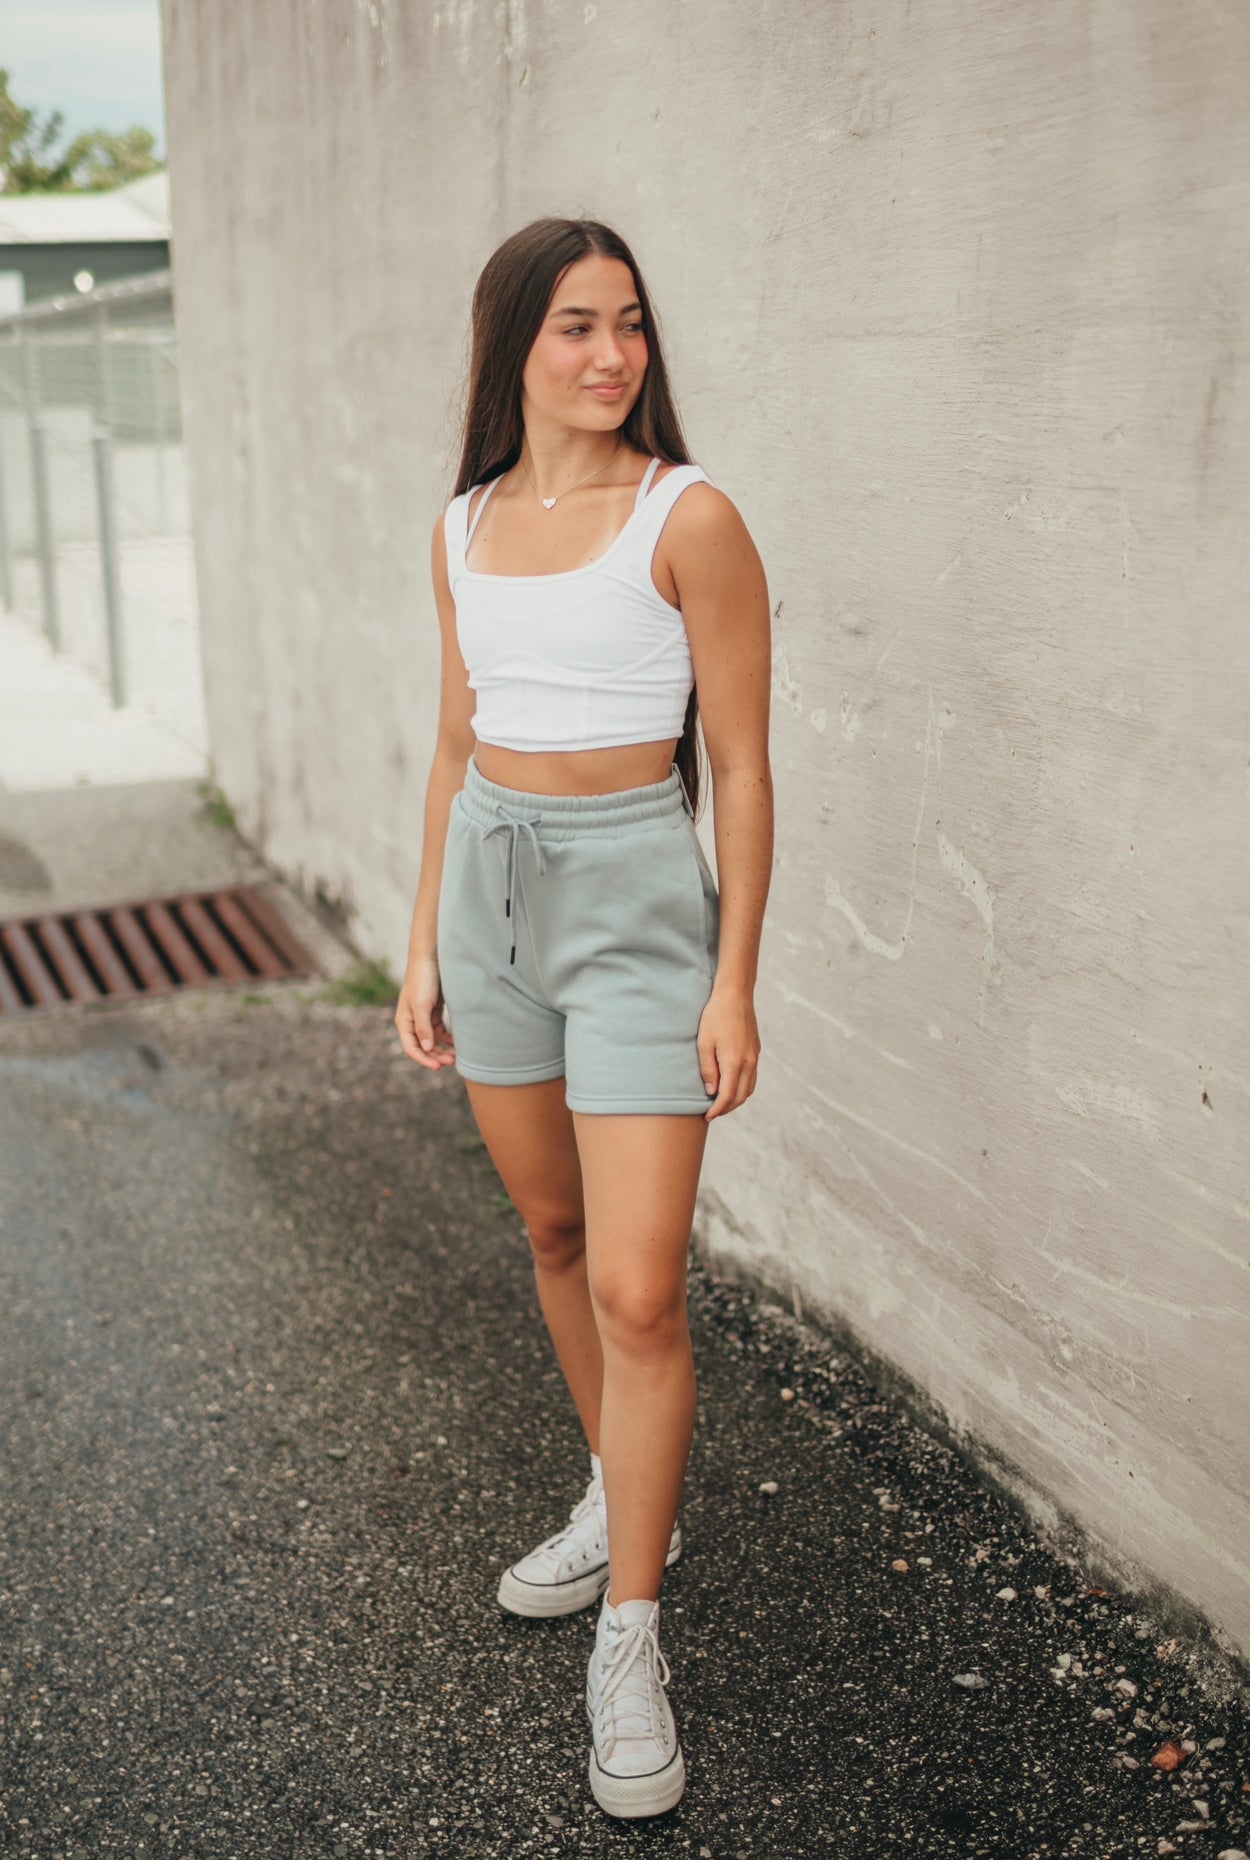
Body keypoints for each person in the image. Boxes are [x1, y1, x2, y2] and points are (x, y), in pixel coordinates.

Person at [395, 215, 772, 1820]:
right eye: (575, 328)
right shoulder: (463, 526)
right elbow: (450, 740)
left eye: (628, 325)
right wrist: (418, 943)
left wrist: (734, 975)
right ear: (514, 349)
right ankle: (632, 1498)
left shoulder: (689, 519)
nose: (612, 354)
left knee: (636, 1290)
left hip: (634, 913)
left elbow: (742, 768)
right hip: (487, 893)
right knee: (552, 1239)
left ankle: (632, 1629)